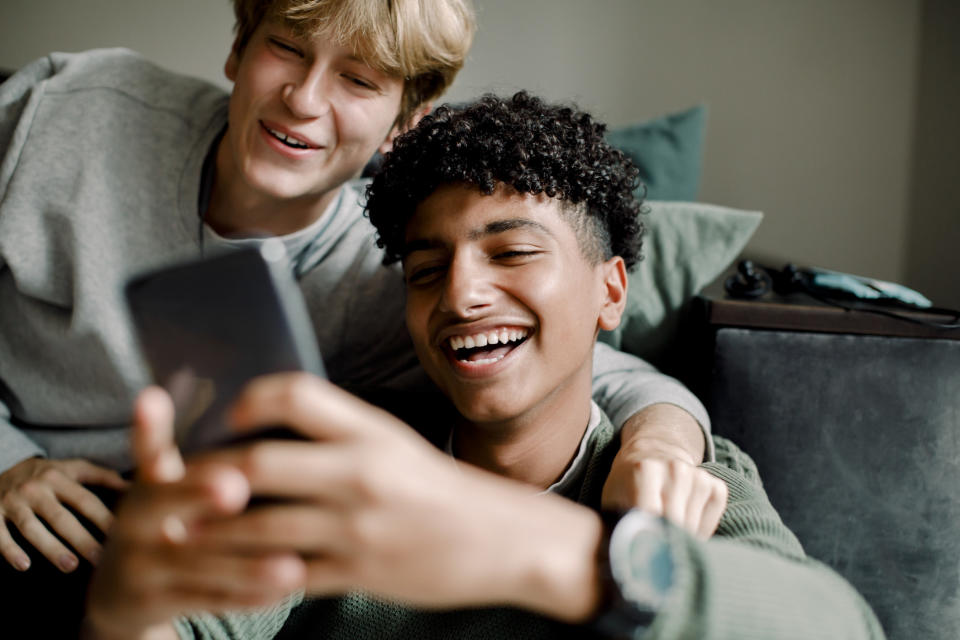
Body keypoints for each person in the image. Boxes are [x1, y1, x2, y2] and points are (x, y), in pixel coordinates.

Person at [0, 0, 717, 634]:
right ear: (238, 49)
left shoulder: (404, 284)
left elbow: (602, 374)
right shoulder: (70, 107)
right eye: (286, 47)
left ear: (400, 125)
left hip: (136, 552)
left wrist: (659, 447)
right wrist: (8, 463)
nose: (304, 100)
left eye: (359, 80)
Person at [84, 92, 885, 639]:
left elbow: (840, 627)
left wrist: (546, 552)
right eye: (427, 270)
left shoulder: (690, 480)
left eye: (512, 253)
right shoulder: (346, 466)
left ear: (611, 292)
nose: (461, 294)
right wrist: (127, 610)